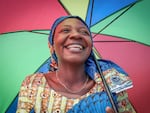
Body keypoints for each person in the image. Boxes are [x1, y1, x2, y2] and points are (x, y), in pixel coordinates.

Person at [16, 15, 136, 113]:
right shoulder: (33, 84)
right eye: (65, 30)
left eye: (84, 32)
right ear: (51, 46)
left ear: (90, 46)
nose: (76, 35)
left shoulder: (110, 83)